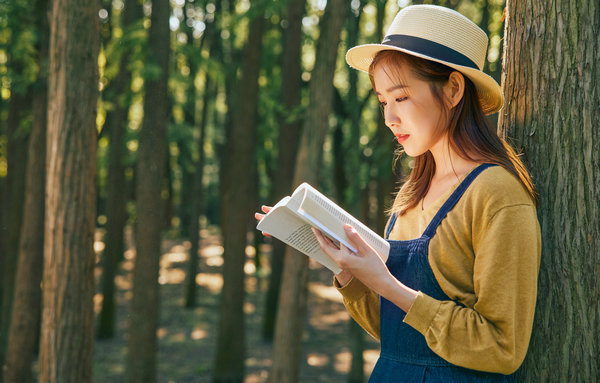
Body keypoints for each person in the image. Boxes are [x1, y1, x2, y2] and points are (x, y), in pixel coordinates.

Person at [257, 4, 540, 382]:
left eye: (401, 97)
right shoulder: (411, 196)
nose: (389, 117)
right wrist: (351, 275)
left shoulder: (497, 194)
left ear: (453, 89)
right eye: (382, 101)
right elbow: (397, 333)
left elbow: (503, 347)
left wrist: (388, 285)